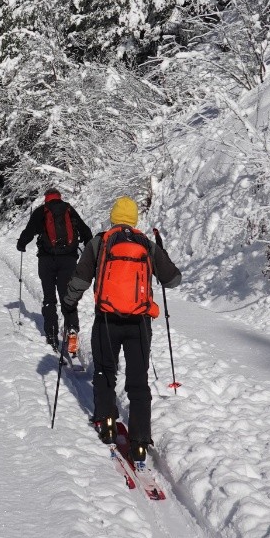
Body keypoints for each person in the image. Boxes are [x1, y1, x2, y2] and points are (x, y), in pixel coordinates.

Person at [64, 196, 181, 467]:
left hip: (106, 319)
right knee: (138, 380)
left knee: (105, 370)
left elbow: (80, 278)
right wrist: (160, 253)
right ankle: (140, 442)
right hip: (139, 323)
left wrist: (69, 301)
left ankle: (106, 422)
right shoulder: (146, 245)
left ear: (113, 216)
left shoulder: (100, 242)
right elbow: (173, 280)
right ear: (135, 219)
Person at [16, 188, 94, 354]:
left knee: (49, 298)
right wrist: (89, 247)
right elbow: (85, 230)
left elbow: (29, 231)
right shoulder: (68, 209)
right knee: (68, 297)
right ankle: (72, 330)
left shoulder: (41, 211)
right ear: (59, 197)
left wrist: (21, 244)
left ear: (46, 199)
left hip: (46, 261)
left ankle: (51, 335)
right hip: (69, 260)